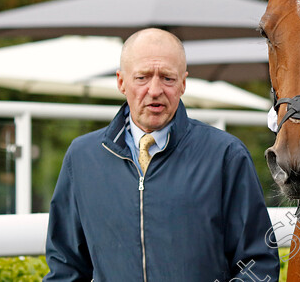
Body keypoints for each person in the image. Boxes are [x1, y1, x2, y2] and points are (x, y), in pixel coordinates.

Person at [44, 28, 280, 282]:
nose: (155, 90)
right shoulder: (83, 158)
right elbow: (66, 268)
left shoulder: (226, 156)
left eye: (167, 78)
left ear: (183, 83)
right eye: (142, 77)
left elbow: (258, 263)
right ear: (121, 82)